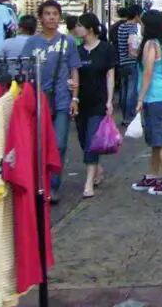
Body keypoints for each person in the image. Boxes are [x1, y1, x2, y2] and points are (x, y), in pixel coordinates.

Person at [23, 0, 81, 204]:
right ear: (41, 17)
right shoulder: (31, 44)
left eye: (55, 14)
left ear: (60, 17)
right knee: (37, 144)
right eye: (47, 13)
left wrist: (75, 97)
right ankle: (39, 183)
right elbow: (24, 71)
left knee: (59, 143)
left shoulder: (68, 42)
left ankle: (53, 185)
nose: (51, 17)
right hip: (37, 101)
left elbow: (74, 70)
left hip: (62, 100)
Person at [130, 10, 162, 196]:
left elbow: (148, 72)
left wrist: (140, 98)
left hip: (154, 96)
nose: (140, 26)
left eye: (142, 23)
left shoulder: (150, 44)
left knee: (161, 139)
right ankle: (152, 175)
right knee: (156, 140)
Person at [72, 13, 116, 199]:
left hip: (99, 101)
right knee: (83, 140)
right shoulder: (77, 50)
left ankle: (88, 182)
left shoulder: (106, 49)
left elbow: (110, 75)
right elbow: (74, 74)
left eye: (80, 25)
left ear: (90, 28)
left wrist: (109, 100)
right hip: (81, 102)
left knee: (91, 140)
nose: (77, 29)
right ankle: (97, 168)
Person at [116, 5, 142, 125]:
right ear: (137, 15)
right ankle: (129, 117)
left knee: (124, 90)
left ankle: (124, 116)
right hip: (131, 63)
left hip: (122, 62)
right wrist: (138, 56)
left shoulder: (121, 26)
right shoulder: (132, 28)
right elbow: (132, 48)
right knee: (132, 91)